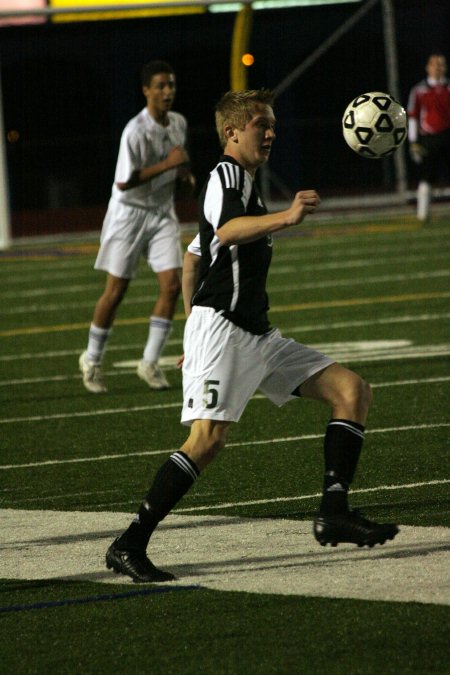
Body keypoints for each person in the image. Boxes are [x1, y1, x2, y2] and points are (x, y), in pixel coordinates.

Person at [105, 88, 399, 583]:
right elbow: (223, 233)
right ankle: (129, 543)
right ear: (232, 131)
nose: (271, 132)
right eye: (261, 124)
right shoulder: (225, 175)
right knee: (207, 440)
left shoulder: (243, 183)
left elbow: (195, 254)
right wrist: (286, 218)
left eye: (272, 124)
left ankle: (334, 511)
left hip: (256, 333)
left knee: (353, 390)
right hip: (225, 331)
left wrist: (190, 327)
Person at [79, 60, 195, 393]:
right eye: (160, 86)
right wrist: (168, 165)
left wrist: (184, 175)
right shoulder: (134, 130)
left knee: (172, 285)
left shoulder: (179, 123)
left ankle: (150, 362)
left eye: (171, 85)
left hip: (160, 213)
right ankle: (92, 358)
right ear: (146, 90)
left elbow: (175, 166)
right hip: (128, 214)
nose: (167, 91)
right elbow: (124, 183)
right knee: (115, 292)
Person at [407, 53, 450, 222]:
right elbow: (413, 116)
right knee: (427, 176)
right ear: (428, 67)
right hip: (430, 139)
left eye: (441, 64)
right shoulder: (419, 90)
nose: (438, 67)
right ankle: (423, 214)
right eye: (434, 64)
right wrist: (413, 142)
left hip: (448, 136)